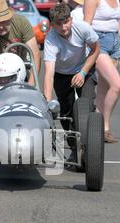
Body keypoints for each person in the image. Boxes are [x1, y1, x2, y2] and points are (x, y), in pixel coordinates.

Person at [83, 0, 120, 143]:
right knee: (116, 85)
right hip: (99, 42)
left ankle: (96, 126)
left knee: (104, 89)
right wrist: (87, 50)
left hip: (114, 43)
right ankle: (105, 127)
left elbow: (119, 26)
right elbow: (86, 25)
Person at [43, 2, 99, 134]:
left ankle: (89, 140)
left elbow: (96, 50)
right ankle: (73, 143)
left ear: (71, 19)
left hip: (83, 69)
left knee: (86, 105)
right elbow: (49, 74)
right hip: (61, 73)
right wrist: (48, 102)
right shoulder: (50, 39)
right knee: (66, 111)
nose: (63, 27)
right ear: (52, 24)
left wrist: (83, 73)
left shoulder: (83, 28)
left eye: (66, 22)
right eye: (58, 24)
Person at [0, 0, 41, 97]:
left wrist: (30, 89)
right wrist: (0, 94)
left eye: (4, 21)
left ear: (9, 18)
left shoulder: (21, 23)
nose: (1, 27)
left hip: (20, 68)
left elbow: (35, 54)